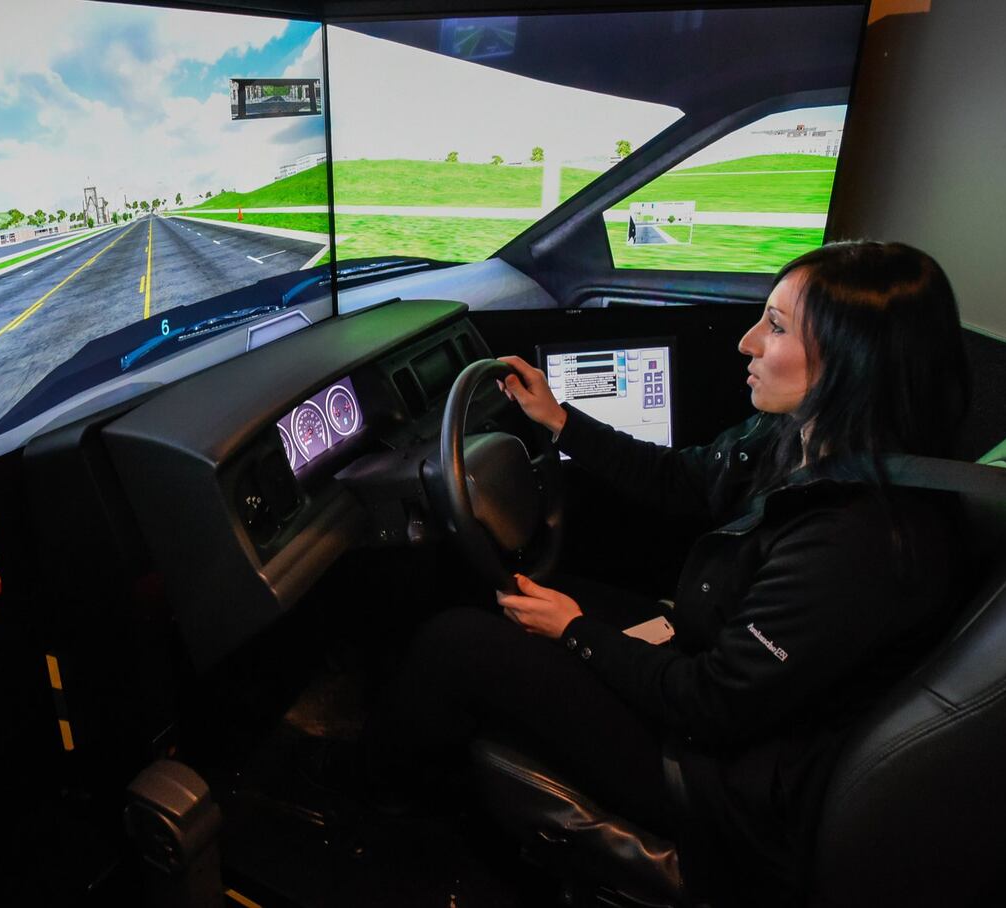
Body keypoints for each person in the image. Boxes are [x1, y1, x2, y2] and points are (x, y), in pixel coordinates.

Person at [358, 240, 971, 905]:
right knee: (505, 599)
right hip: (714, 669)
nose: (746, 342)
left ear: (854, 360)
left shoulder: (860, 541)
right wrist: (560, 421)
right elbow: (685, 480)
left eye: (776, 327)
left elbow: (711, 705)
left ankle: (380, 808)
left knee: (456, 642)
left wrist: (578, 632)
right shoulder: (809, 434)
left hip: (715, 777)